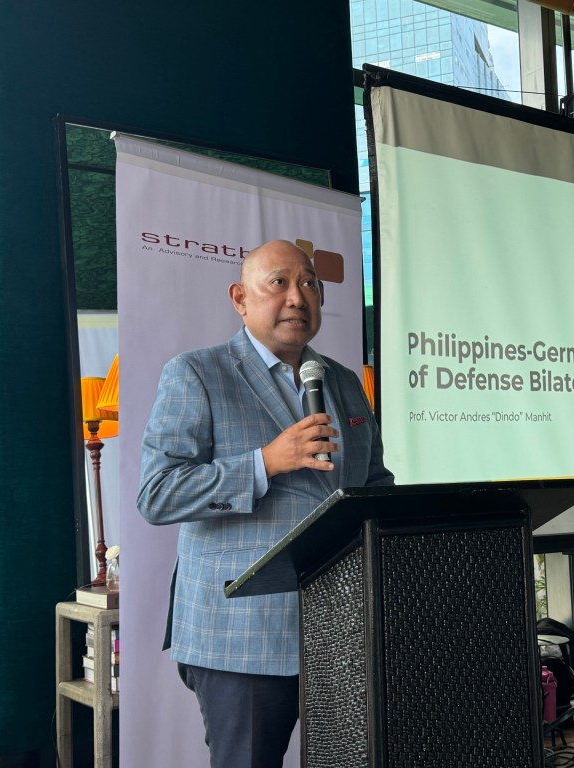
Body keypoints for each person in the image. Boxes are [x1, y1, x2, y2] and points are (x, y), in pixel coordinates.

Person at [137, 239, 394, 767]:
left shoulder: (344, 382)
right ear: (240, 298)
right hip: (241, 637)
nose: (298, 297)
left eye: (309, 284)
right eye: (279, 283)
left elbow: (374, 483)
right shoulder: (197, 373)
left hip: (341, 629)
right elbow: (157, 493)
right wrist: (266, 463)